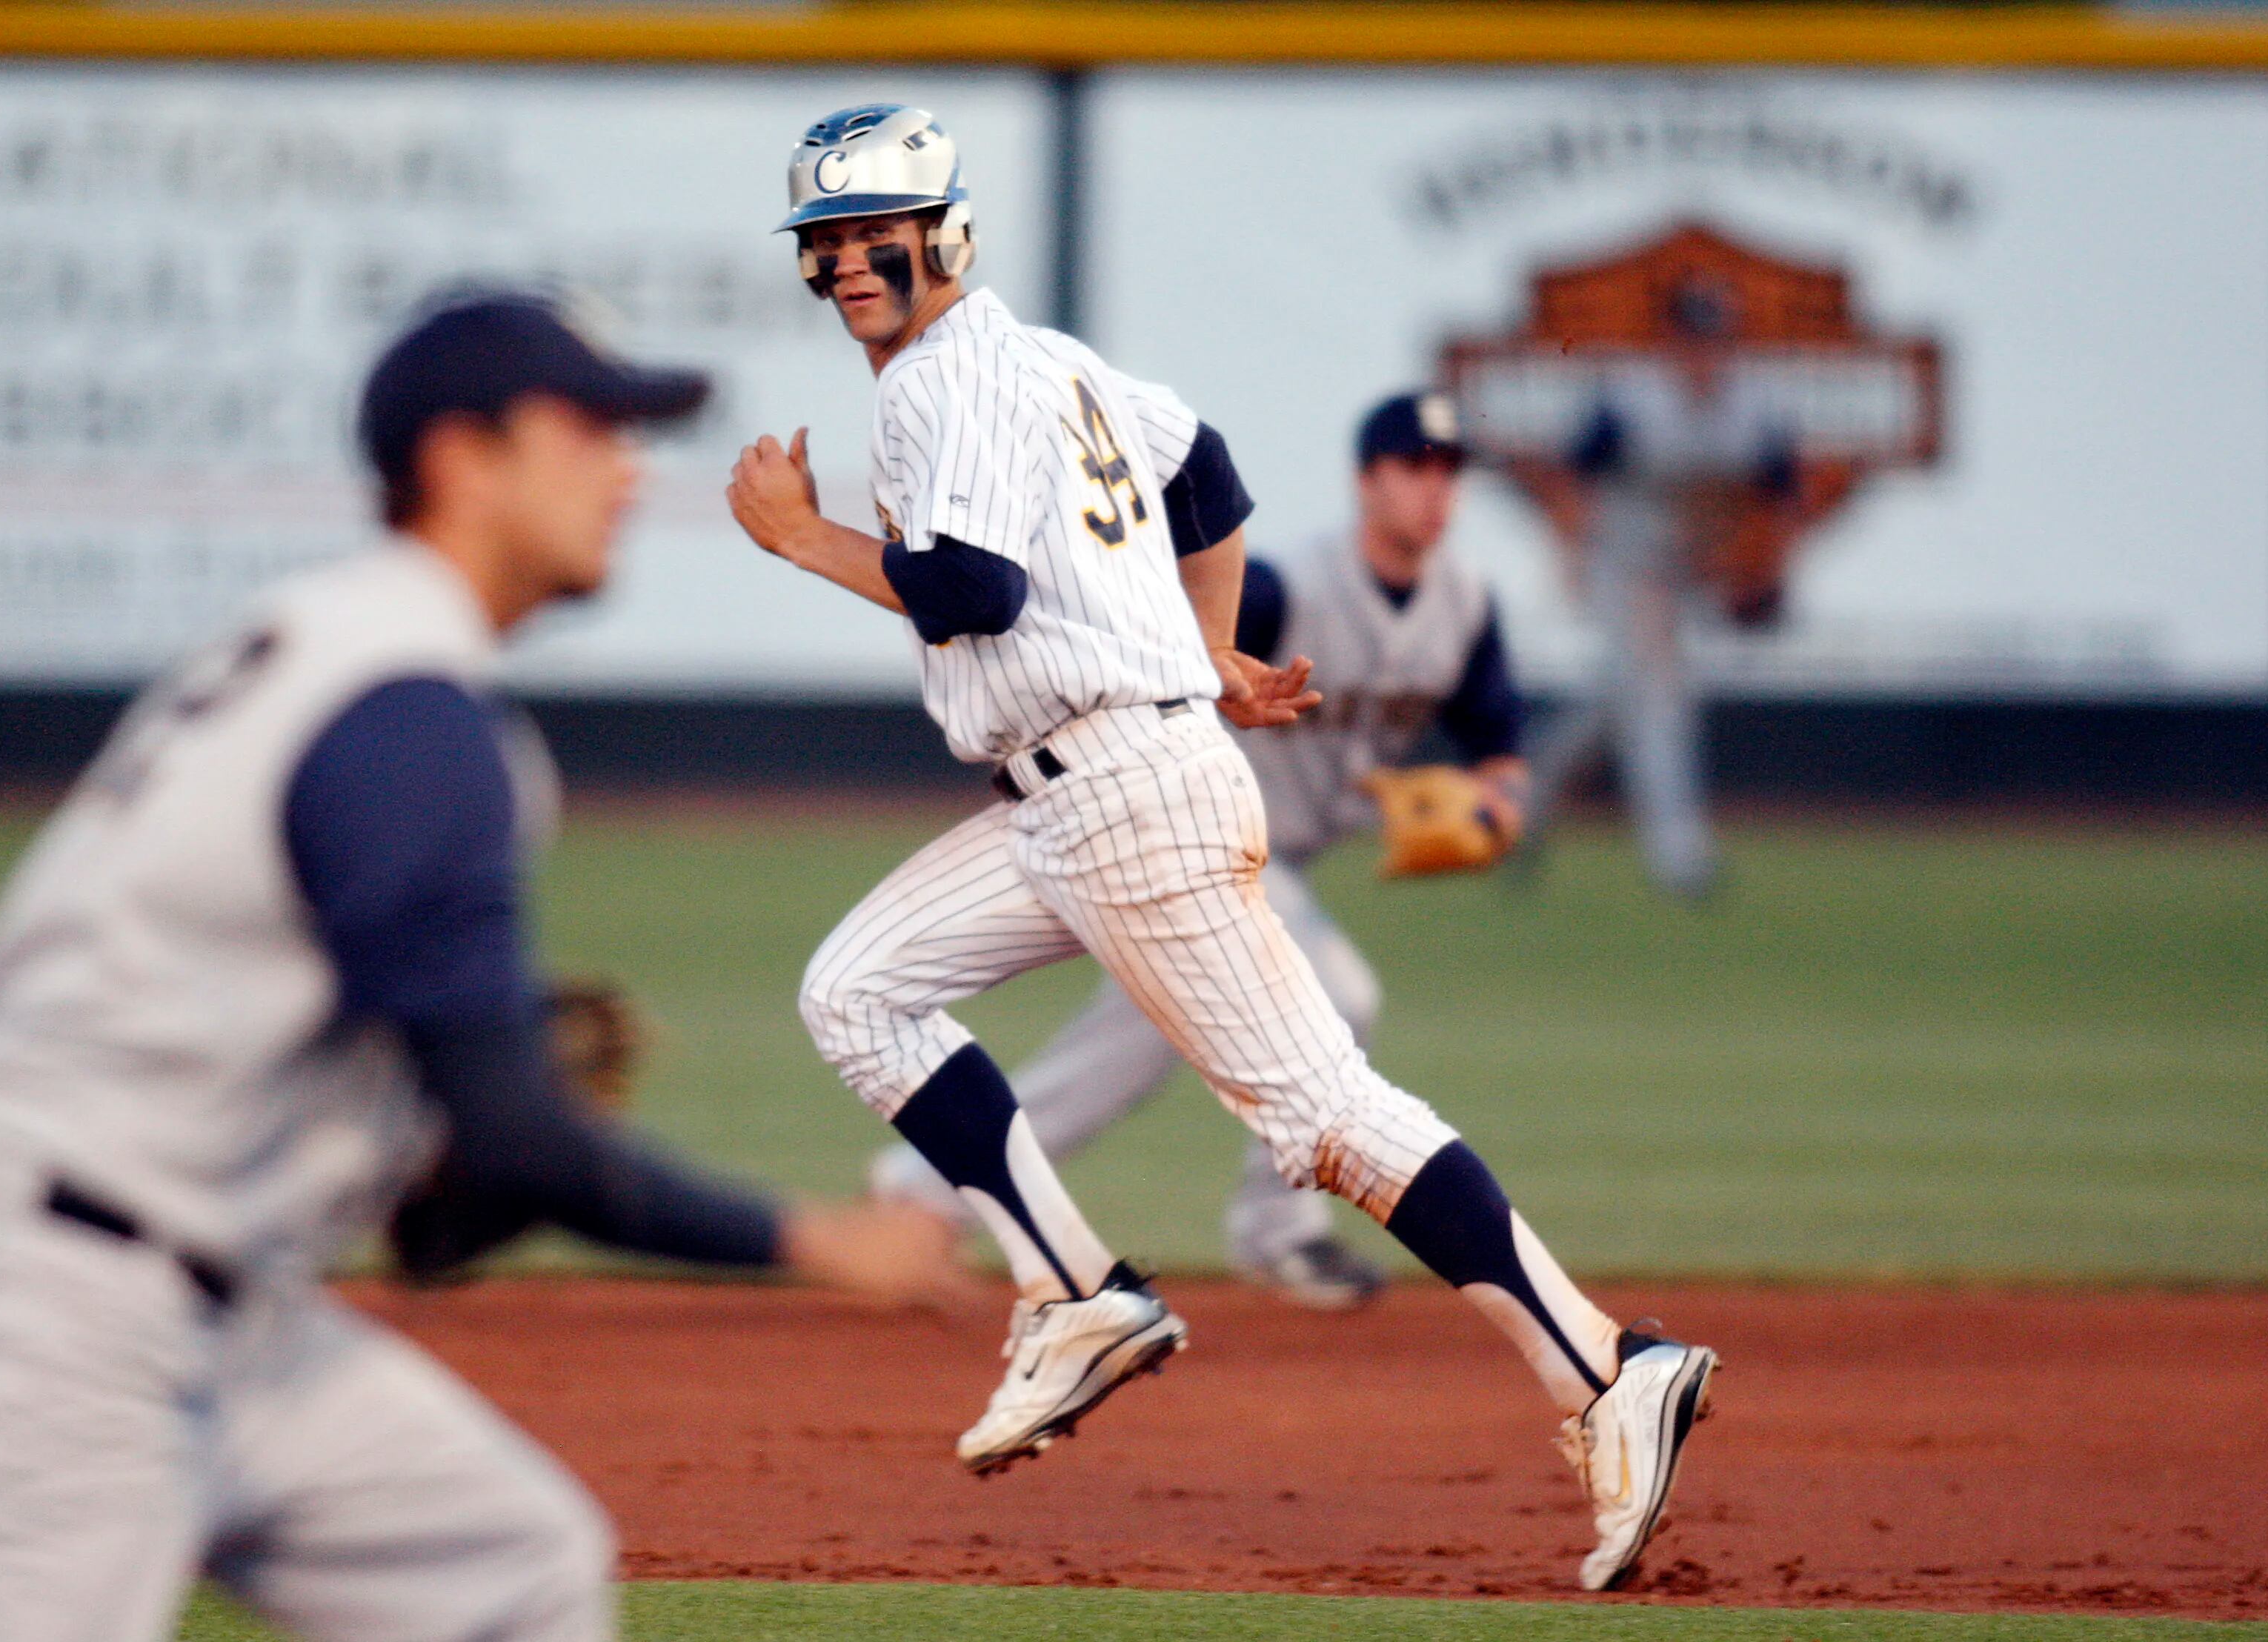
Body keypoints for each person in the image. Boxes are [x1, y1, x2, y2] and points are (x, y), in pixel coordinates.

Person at [0, 290, 959, 1642]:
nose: (626, 469)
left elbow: (442, 1202)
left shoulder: (363, 656)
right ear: (458, 461)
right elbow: (519, 1136)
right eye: (586, 430)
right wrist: (818, 1240)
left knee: (509, 1572)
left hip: (232, 1310)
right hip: (42, 1297)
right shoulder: (405, 712)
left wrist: (430, 1146)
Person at [725, 102, 1715, 1592]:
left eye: (875, 232)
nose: (848, 261)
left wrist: (802, 542)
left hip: (1125, 791)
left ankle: (1603, 1365)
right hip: (1076, 787)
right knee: (855, 988)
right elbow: (1206, 474)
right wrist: (1204, 651)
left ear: (944, 234)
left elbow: (974, 590)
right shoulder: (1047, 363)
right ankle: (1070, 1287)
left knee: (1322, 1116)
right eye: (823, 240)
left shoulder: (936, 384)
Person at [868, 389, 1529, 1312]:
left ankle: (916, 1196)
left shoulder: (1463, 604)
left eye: (1449, 470)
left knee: (1128, 1044)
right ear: (1365, 481)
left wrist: (1500, 807)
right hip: (1187, 833)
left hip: (1261, 865)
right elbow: (1151, 647)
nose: (1435, 489)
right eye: (1414, 466)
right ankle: (1279, 1232)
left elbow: (1500, 745)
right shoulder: (1285, 588)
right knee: (1338, 998)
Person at [1514, 277, 1801, 900]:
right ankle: (1680, 857)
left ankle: (1517, 803)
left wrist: (1763, 568)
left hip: (1689, 568)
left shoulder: (1756, 406)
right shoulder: (1631, 400)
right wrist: (1570, 558)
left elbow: (1778, 499)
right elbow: (1571, 479)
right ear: (1669, 343)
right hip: (1625, 560)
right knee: (1661, 696)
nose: (1704, 354)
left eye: (1715, 340)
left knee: (1614, 703)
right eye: (1692, 340)